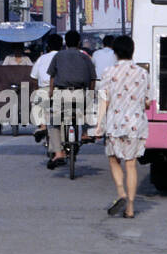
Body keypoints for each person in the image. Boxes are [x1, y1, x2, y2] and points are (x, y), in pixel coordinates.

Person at [90, 35, 150, 218]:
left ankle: (121, 193)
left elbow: (104, 101)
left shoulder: (109, 72)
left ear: (115, 53)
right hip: (136, 123)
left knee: (114, 159)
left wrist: (98, 125)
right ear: (132, 51)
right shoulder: (143, 73)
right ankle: (130, 208)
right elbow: (148, 102)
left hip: (115, 123)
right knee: (131, 165)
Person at [45, 30, 97, 169]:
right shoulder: (85, 57)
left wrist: (50, 92)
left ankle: (58, 152)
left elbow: (52, 76)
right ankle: (85, 133)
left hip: (61, 94)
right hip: (80, 93)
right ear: (79, 43)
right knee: (87, 111)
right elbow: (93, 78)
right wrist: (91, 94)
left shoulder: (58, 56)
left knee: (54, 123)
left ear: (65, 43)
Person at [31, 34, 63, 143]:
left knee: (36, 105)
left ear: (48, 46)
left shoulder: (42, 58)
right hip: (62, 89)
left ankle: (43, 126)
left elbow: (34, 77)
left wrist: (37, 89)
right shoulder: (64, 57)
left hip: (44, 89)